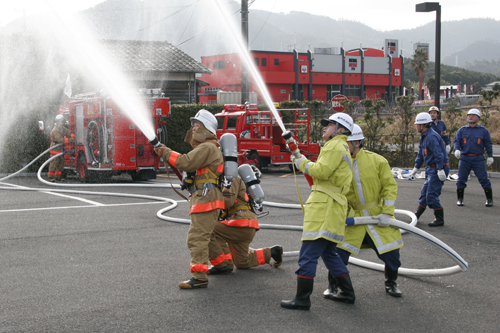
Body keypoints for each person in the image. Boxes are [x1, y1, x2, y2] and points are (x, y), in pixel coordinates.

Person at [280, 113, 355, 310]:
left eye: (329, 124)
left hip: (325, 207)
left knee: (308, 254)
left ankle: (302, 299)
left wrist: (300, 163)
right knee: (330, 254)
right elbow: (326, 172)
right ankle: (347, 292)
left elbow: (321, 171)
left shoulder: (334, 145)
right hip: (333, 207)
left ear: (341, 129)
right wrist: (300, 157)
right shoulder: (343, 147)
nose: (325, 127)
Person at [323, 124, 403, 299]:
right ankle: (333, 285)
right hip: (351, 218)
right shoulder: (338, 163)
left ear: (357, 142)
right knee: (338, 254)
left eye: (347, 142)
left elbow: (389, 187)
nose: (343, 145)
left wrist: (387, 213)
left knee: (392, 253)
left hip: (377, 216)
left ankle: (391, 282)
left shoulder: (378, 161)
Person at [154, 109, 225, 289]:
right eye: (193, 124)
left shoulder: (207, 147)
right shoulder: (208, 147)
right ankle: (222, 264)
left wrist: (164, 151)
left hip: (205, 198)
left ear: (207, 127)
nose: (193, 128)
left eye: (197, 124)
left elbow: (185, 162)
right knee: (208, 236)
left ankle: (199, 276)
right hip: (206, 197)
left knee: (197, 238)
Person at [207, 171, 283, 274]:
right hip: (243, 225)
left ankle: (223, 264)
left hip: (240, 222)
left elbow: (227, 201)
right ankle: (272, 252)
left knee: (207, 229)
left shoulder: (231, 178)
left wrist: (206, 200)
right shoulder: (223, 180)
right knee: (242, 262)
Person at [408, 112, 450, 227]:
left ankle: (439, 218)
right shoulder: (424, 136)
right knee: (424, 193)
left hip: (437, 168)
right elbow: (421, 154)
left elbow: (439, 154)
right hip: (431, 168)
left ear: (423, 125)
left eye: (417, 124)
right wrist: (416, 168)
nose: (416, 126)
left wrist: (440, 169)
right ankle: (417, 215)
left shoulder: (431, 136)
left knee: (431, 195)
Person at [454, 108, 494, 207]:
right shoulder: (462, 130)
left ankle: (489, 199)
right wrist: (457, 149)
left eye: (473, 115)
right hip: (465, 158)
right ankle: (460, 199)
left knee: (483, 179)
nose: (470, 117)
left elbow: (488, 144)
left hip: (478, 158)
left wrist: (490, 156)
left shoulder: (483, 131)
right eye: (469, 115)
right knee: (461, 179)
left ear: (478, 118)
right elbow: (457, 141)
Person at [48, 114, 74, 182]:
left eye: (63, 121)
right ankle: (50, 176)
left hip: (60, 149)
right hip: (55, 149)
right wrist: (70, 140)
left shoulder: (61, 128)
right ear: (57, 122)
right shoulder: (55, 130)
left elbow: (67, 132)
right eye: (62, 121)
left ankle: (58, 176)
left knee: (61, 163)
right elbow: (59, 139)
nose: (63, 122)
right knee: (54, 163)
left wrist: (72, 135)